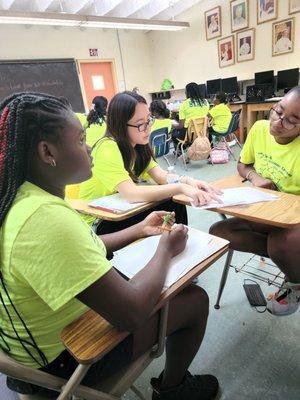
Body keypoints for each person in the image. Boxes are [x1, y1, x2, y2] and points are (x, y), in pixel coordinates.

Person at [0, 92, 220, 400]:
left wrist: (140, 229)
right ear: (47, 152)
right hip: (63, 359)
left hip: (39, 346)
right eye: (79, 140)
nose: (88, 146)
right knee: (194, 300)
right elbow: (131, 313)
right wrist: (165, 250)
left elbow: (81, 250)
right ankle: (174, 390)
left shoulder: (24, 200)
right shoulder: (44, 218)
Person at [209, 87, 300, 316]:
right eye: (278, 112)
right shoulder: (260, 129)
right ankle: (290, 258)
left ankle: (295, 283)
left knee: (281, 242)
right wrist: (255, 177)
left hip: (294, 219)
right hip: (263, 209)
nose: (279, 122)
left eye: (292, 121)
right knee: (218, 232)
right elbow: (243, 165)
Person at [79, 91, 221, 232]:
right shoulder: (108, 147)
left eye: (149, 120)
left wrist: (188, 181)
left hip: (122, 210)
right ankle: (173, 243)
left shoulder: (138, 146)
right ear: (120, 125)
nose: (148, 128)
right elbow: (131, 193)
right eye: (141, 124)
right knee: (172, 203)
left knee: (173, 203)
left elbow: (161, 176)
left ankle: (176, 242)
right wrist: (181, 188)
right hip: (99, 220)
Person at [172, 82, 210, 149]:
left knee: (174, 133)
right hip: (203, 133)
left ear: (188, 92)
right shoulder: (206, 102)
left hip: (189, 135)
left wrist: (173, 126)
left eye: (185, 91)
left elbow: (181, 126)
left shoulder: (185, 104)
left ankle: (181, 150)